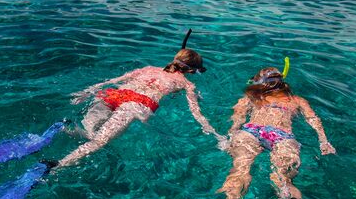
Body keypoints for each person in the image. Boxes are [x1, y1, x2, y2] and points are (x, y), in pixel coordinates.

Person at [44, 37, 223, 172]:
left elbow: (114, 80)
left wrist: (87, 91)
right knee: (99, 141)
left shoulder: (148, 69)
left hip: (114, 94)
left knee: (89, 132)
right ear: (191, 70)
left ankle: (63, 128)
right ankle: (58, 165)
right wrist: (216, 134)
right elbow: (196, 113)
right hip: (137, 104)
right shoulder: (186, 84)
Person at [216, 64, 335, 199]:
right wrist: (324, 141)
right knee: (282, 179)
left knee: (240, 172)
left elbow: (238, 118)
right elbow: (313, 120)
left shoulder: (251, 96)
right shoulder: (297, 100)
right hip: (282, 136)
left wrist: (229, 136)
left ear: (260, 82)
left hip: (251, 132)